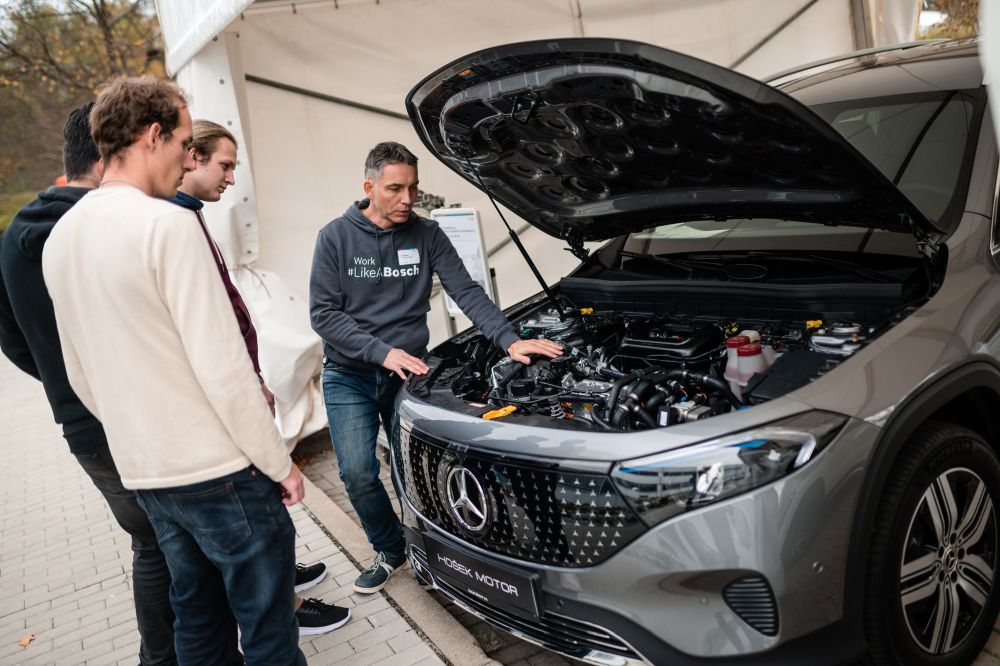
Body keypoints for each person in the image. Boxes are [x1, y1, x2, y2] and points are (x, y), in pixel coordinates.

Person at [42, 76, 305, 665]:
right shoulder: (167, 224)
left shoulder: (60, 239)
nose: (189, 158)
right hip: (222, 473)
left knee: (197, 621)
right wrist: (278, 461)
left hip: (147, 472)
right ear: (152, 135)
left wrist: (139, 438)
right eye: (185, 143)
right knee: (268, 631)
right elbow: (224, 366)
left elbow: (78, 373)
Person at [309, 141, 562, 593]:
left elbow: (466, 291)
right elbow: (324, 315)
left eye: (413, 188)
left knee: (412, 469)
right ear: (369, 187)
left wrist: (510, 339)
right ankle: (390, 550)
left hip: (412, 375)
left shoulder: (427, 234)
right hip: (350, 374)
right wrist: (380, 352)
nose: (407, 199)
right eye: (395, 188)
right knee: (358, 473)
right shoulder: (335, 237)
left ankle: (428, 547)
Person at [0, 102, 181, 666]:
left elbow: (12, 341)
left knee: (151, 546)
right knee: (187, 545)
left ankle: (161, 658)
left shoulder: (10, 240)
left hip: (83, 432)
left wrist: (63, 380)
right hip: (141, 419)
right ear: (111, 153)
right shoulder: (113, 227)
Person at [171, 118, 349, 636]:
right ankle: (283, 613)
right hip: (219, 414)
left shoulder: (192, 215)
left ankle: (282, 583)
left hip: (240, 387)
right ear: (192, 157)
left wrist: (256, 375)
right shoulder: (174, 224)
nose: (231, 178)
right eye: (224, 165)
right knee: (260, 516)